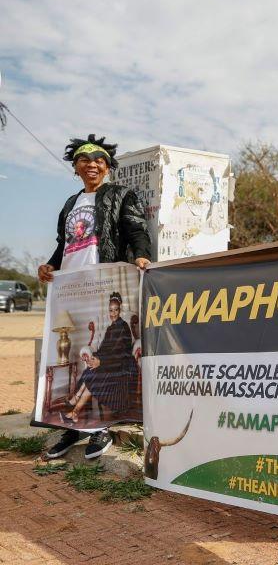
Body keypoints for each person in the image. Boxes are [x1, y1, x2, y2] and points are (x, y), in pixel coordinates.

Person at [39, 134, 151, 460]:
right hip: (70, 289)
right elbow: (64, 245)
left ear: (108, 166)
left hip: (102, 284)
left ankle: (100, 429)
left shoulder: (120, 195)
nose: (92, 163)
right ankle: (72, 428)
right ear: (75, 167)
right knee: (73, 355)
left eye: (99, 159)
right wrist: (50, 265)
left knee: (103, 354)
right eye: (85, 159)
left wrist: (142, 256)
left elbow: (136, 230)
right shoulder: (70, 204)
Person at [61, 292, 138, 426]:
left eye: (116, 310)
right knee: (92, 370)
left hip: (123, 364)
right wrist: (95, 359)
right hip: (110, 361)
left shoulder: (124, 327)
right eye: (110, 310)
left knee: (95, 375)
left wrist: (101, 361)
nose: (113, 313)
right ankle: (74, 411)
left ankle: (75, 404)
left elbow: (120, 352)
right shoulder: (110, 329)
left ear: (120, 310)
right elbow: (105, 350)